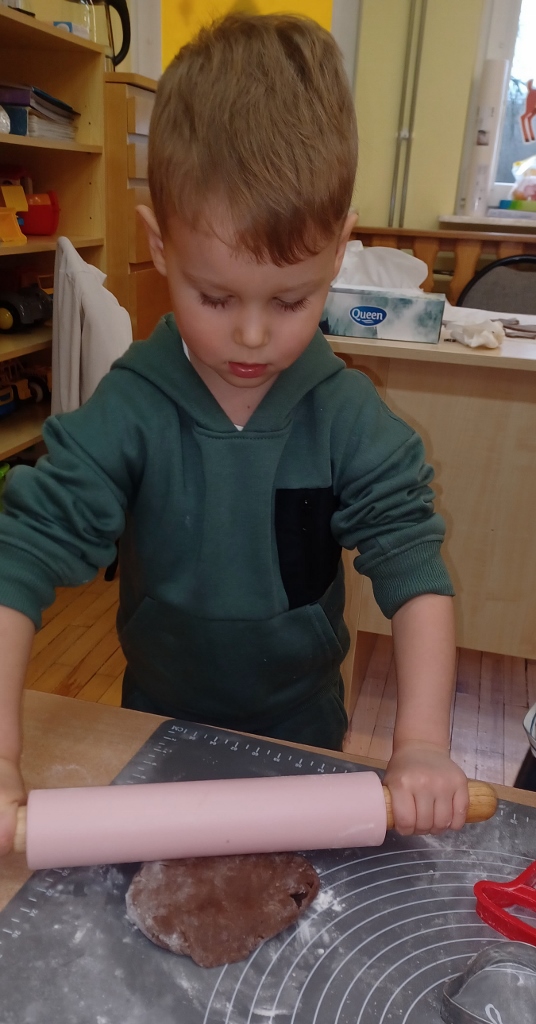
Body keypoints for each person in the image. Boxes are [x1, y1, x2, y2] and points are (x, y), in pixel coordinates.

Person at [0, 13, 468, 857]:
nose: (252, 336)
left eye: (290, 300)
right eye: (215, 297)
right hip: (154, 727)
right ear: (160, 244)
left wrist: (424, 743)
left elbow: (414, 566)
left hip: (303, 739)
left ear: (338, 252)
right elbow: (19, 557)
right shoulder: (133, 407)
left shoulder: (344, 415)